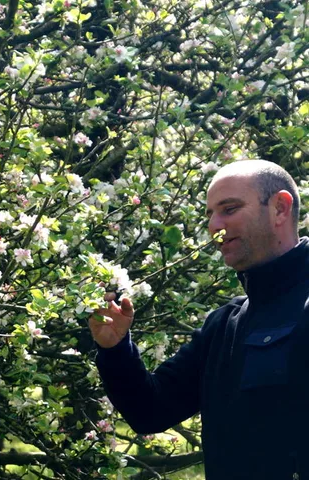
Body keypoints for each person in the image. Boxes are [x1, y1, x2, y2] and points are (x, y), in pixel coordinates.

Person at [89, 160, 309, 480]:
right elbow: (149, 412)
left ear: (280, 208)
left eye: (229, 209)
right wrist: (115, 349)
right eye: (210, 215)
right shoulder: (223, 326)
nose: (214, 226)